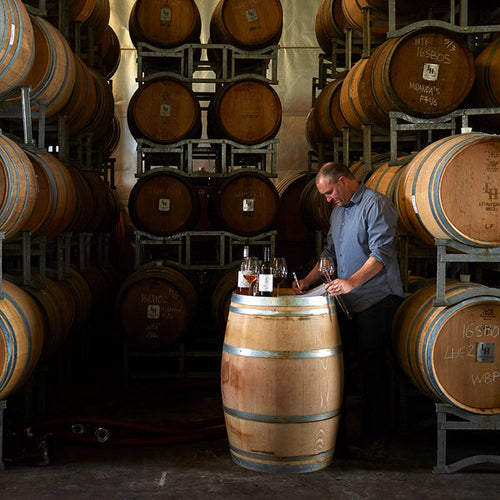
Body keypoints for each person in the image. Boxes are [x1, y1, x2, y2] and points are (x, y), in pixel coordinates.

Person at [293, 161, 404, 456]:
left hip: (376, 300)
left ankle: (376, 438)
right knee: (339, 369)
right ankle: (337, 438)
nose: (328, 199)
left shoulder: (376, 205)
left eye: (329, 192)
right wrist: (307, 280)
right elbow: (329, 255)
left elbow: (382, 254)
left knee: (373, 370)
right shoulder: (338, 211)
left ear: (343, 181)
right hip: (348, 302)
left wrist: (351, 282)